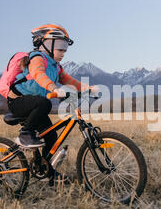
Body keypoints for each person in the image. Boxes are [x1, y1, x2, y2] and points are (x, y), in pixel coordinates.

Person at [6, 24, 96, 179]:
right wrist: (53, 87)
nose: (63, 53)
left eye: (65, 50)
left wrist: (87, 88)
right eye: (60, 49)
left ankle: (48, 173)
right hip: (18, 101)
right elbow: (38, 74)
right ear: (46, 45)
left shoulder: (56, 66)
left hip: (35, 104)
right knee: (44, 103)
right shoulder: (37, 58)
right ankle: (25, 134)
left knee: (51, 136)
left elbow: (69, 81)